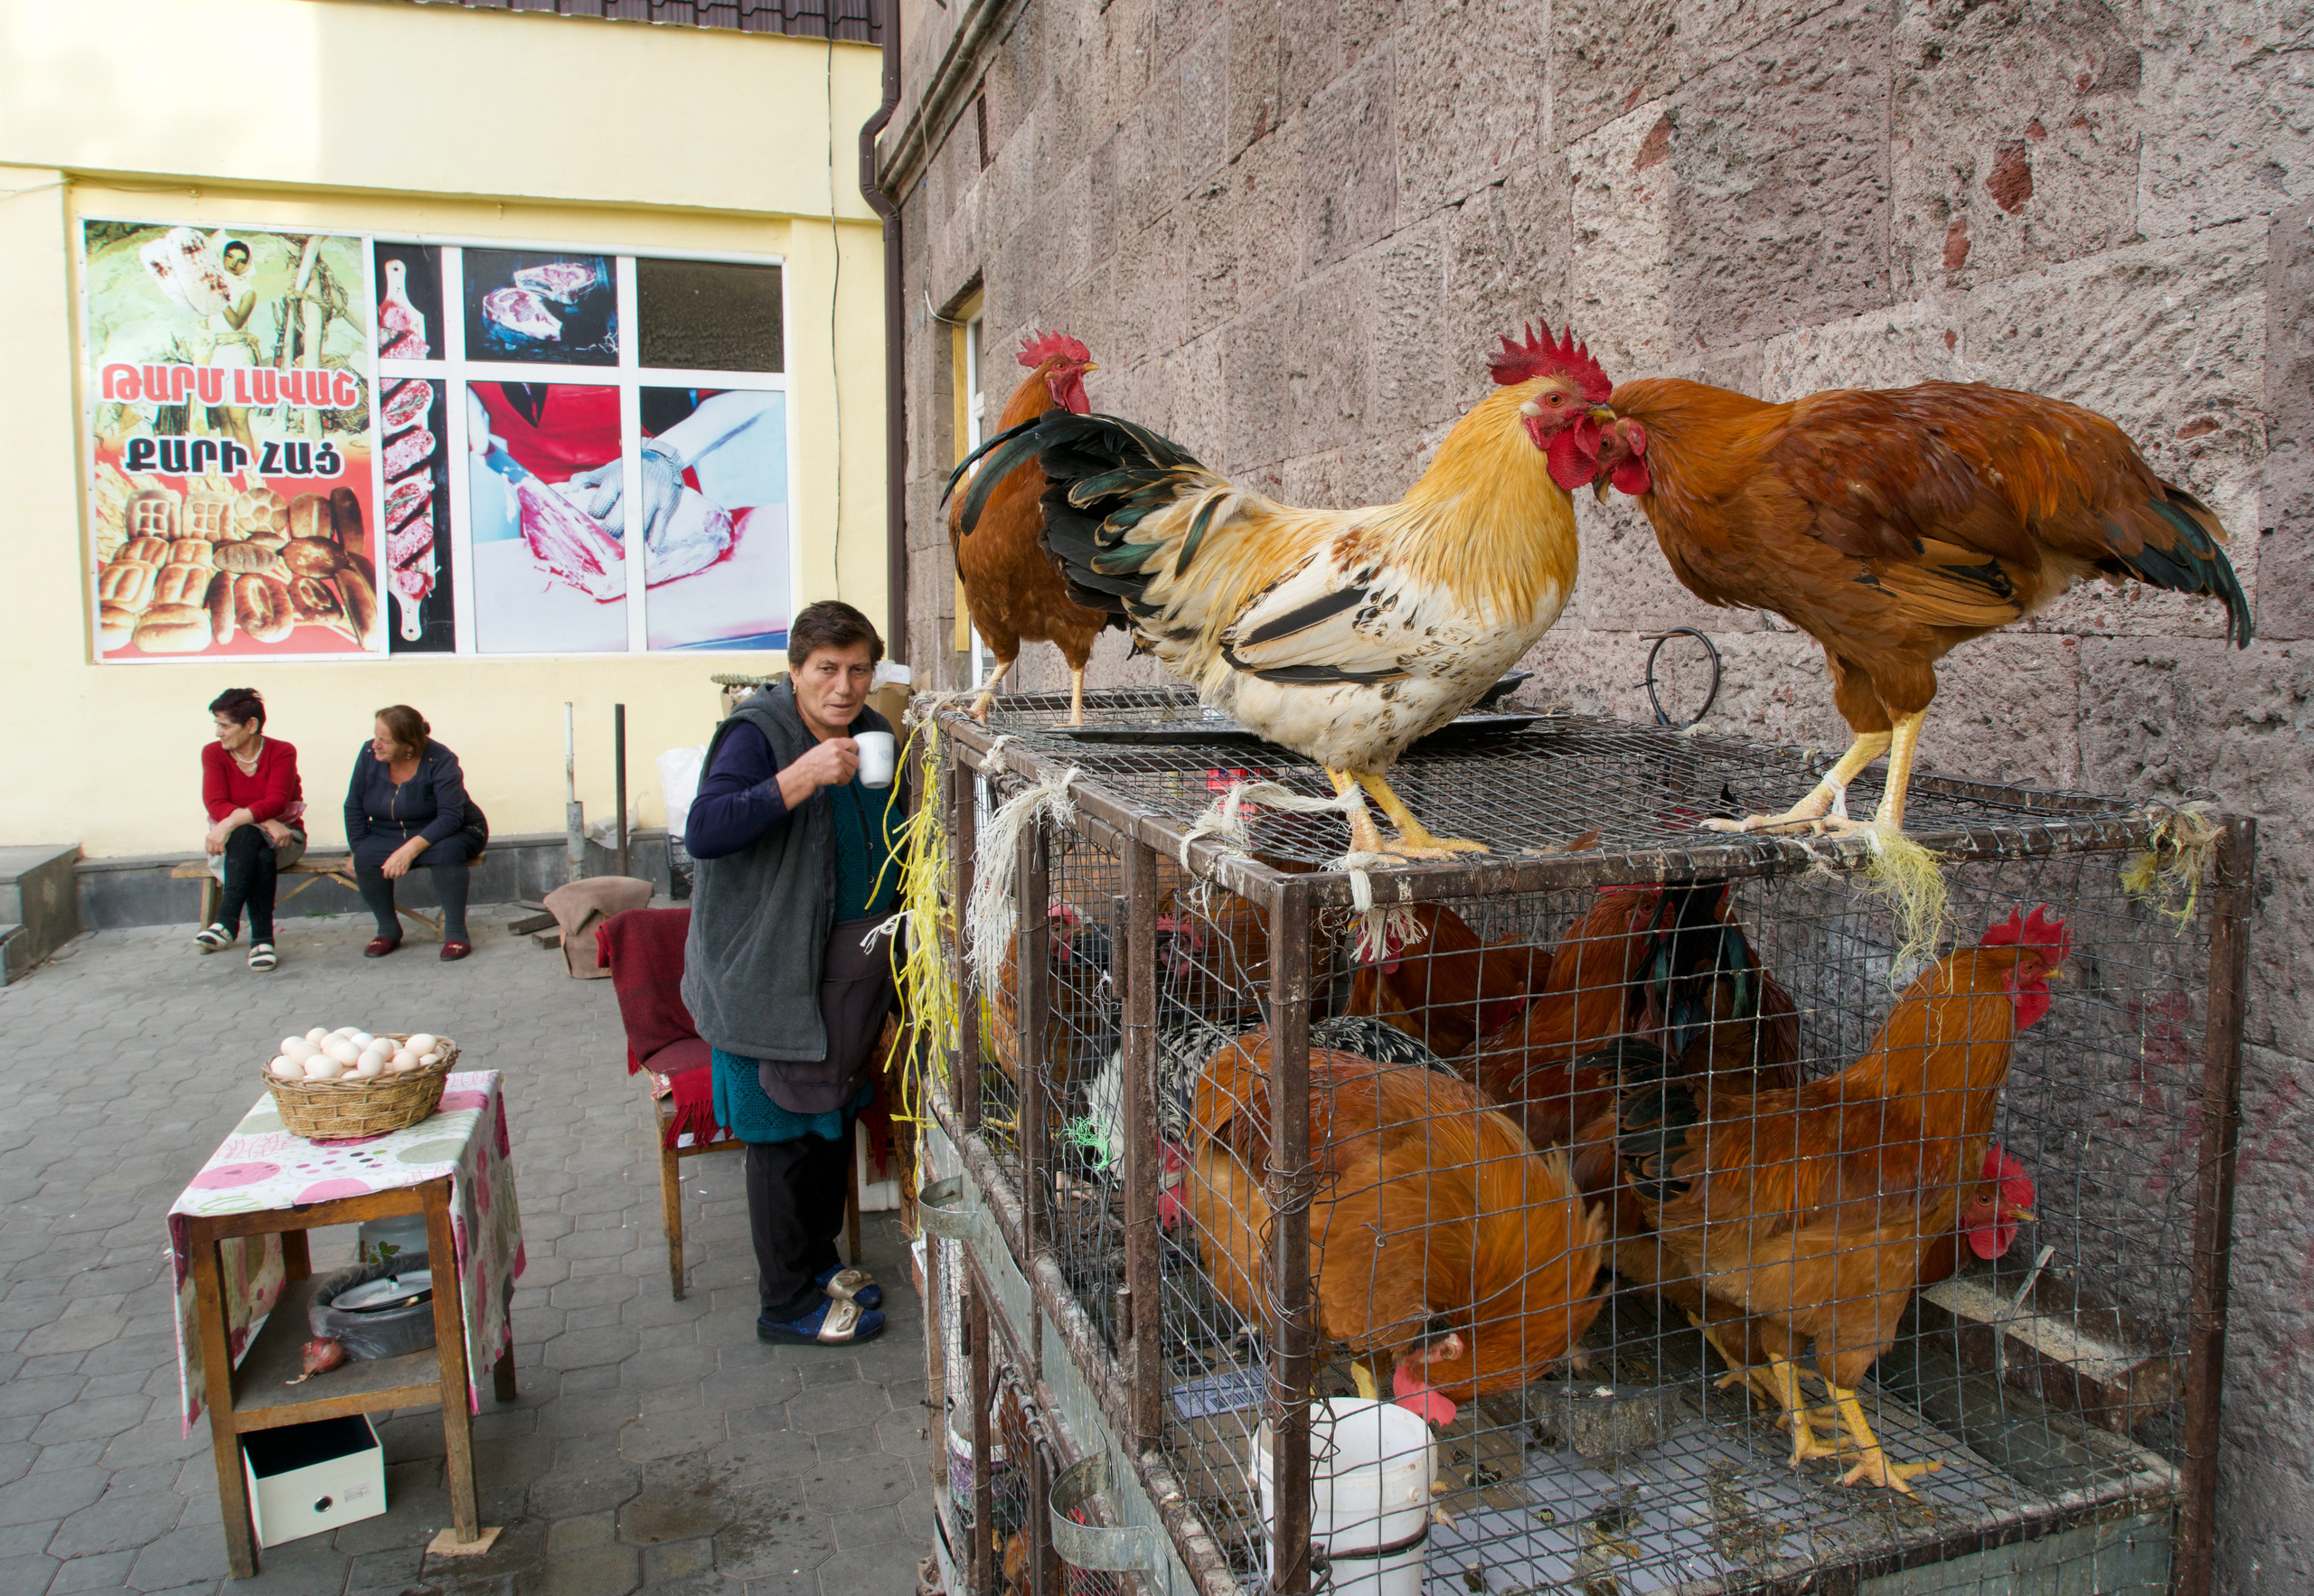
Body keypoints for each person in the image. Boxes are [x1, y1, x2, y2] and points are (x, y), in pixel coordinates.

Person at [682, 600, 905, 1347]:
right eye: (826, 670)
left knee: (826, 1124)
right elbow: (705, 830)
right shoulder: (757, 733)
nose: (844, 686)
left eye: (859, 670)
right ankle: (784, 1304)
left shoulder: (871, 730)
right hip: (769, 974)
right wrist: (800, 776)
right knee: (781, 1135)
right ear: (795, 670)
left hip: (842, 979)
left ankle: (817, 1265)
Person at [344, 706, 487, 962]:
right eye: (375, 736)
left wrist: (408, 850)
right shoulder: (369, 754)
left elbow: (450, 817)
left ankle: (456, 932)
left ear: (408, 746)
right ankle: (388, 930)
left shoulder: (441, 760)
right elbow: (353, 806)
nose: (375, 745)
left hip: (449, 829)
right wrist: (357, 849)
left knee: (448, 851)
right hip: (389, 831)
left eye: (384, 740)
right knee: (365, 855)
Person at [196, 688, 305, 971]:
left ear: (251, 725)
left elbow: (277, 801)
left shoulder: (282, 751)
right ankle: (262, 942)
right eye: (217, 725)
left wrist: (231, 821)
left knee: (251, 839)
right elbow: (215, 803)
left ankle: (227, 920)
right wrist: (264, 820)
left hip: (285, 839)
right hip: (234, 848)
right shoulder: (213, 754)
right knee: (257, 851)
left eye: (225, 725)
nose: (218, 732)